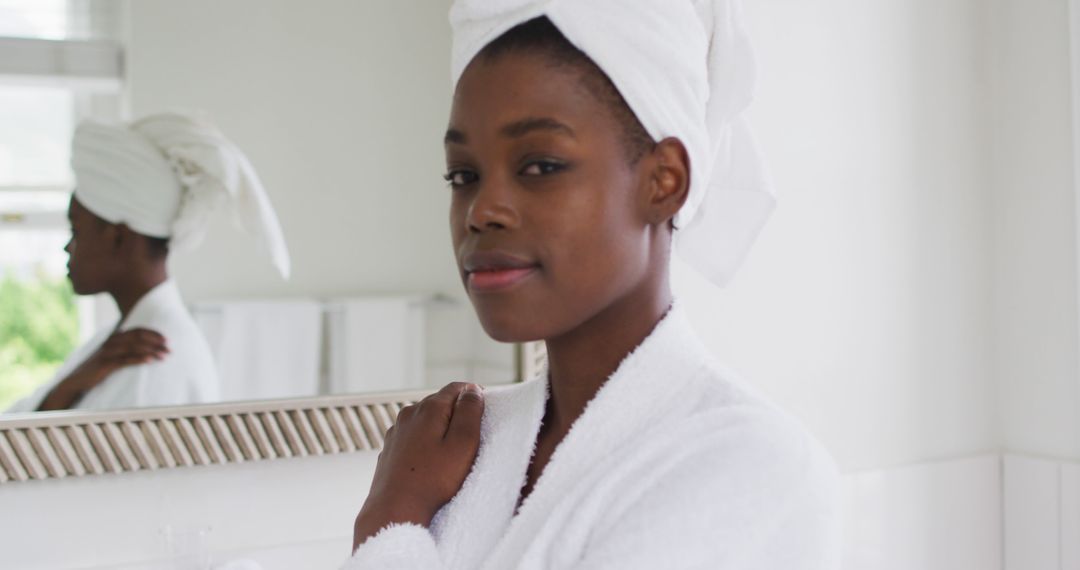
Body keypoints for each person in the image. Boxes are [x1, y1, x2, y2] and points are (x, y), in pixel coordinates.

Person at [344, 2, 840, 568]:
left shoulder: (754, 466)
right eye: (464, 174)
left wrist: (391, 521)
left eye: (540, 166)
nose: (482, 210)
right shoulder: (465, 446)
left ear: (664, 181)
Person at [6, 112, 290, 412]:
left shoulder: (151, 360)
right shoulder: (114, 345)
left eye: (76, 231)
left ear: (117, 237)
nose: (66, 248)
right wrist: (68, 387)